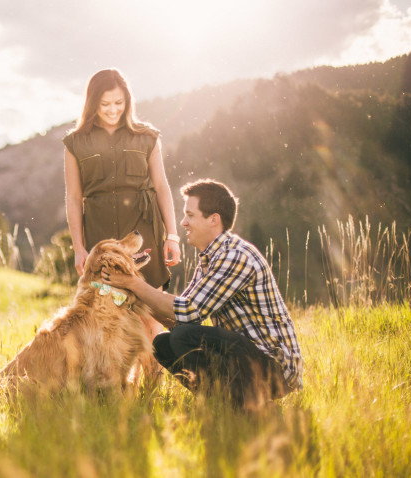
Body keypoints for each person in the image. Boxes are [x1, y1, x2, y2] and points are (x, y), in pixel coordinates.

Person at [101, 179, 304, 409]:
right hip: (247, 357)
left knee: (183, 337)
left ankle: (246, 404)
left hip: (274, 369)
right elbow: (177, 319)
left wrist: (134, 283)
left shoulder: (235, 256)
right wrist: (134, 296)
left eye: (190, 215)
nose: (183, 222)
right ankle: (226, 405)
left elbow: (188, 312)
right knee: (163, 343)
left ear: (213, 219)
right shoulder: (210, 259)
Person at [63, 68, 181, 284]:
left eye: (119, 102)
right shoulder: (75, 142)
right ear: (92, 103)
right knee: (105, 303)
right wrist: (78, 248)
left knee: (150, 299)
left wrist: (171, 236)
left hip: (144, 230)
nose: (113, 110)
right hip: (100, 235)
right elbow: (73, 198)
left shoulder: (146, 137)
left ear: (128, 101)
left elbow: (162, 187)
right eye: (105, 104)